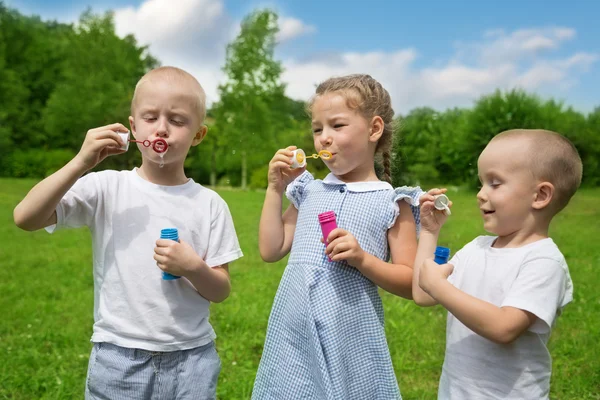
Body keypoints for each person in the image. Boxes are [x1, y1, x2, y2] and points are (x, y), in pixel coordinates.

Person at [13, 66, 243, 399]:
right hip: (118, 356)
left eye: (177, 121)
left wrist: (192, 267)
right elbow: (26, 217)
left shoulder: (210, 204)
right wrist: (81, 161)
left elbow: (220, 290)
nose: (162, 128)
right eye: (150, 117)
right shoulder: (107, 187)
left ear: (198, 135)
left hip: (191, 359)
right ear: (133, 126)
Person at [253, 74, 425, 399]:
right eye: (318, 129)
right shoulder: (309, 192)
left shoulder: (391, 201)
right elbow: (270, 249)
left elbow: (412, 282)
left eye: (337, 126)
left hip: (349, 331)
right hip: (295, 329)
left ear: (374, 129)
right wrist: (275, 189)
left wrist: (363, 259)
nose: (324, 139)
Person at [412, 129, 581, 399]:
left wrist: (439, 286)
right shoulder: (476, 248)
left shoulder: (544, 261)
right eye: (481, 183)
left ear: (540, 196)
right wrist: (430, 232)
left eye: (495, 183)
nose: (480, 194)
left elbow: (504, 327)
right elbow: (422, 293)